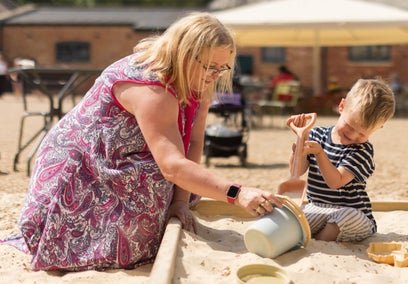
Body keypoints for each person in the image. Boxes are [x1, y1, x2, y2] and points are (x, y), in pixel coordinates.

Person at [0, 12, 282, 271]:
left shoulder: (199, 79)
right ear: (183, 54)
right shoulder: (151, 89)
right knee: (156, 185)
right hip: (85, 165)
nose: (214, 76)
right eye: (209, 67)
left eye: (221, 68)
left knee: (167, 188)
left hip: (128, 154)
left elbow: (193, 140)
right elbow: (172, 166)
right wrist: (237, 193)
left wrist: (181, 201)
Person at [285, 78, 395, 242]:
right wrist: (299, 147)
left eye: (362, 134)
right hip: (318, 208)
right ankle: (305, 236)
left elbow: (335, 182)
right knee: (291, 217)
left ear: (379, 128)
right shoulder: (317, 135)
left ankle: (317, 243)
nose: (353, 136)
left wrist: (320, 154)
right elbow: (298, 171)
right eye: (349, 127)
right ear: (341, 107)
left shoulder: (362, 151)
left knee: (345, 218)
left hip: (352, 213)